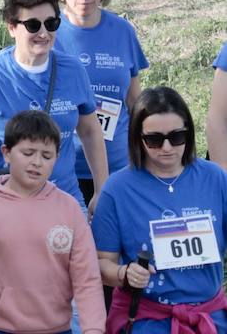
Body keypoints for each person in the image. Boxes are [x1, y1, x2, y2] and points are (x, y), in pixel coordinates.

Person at [0, 109, 106, 334]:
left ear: (56, 158)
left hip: (56, 329)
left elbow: (86, 278)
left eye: (46, 156)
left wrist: (94, 330)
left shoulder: (69, 210)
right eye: (28, 153)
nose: (37, 162)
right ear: (7, 152)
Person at [0, 0, 108, 209]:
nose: (43, 33)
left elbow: (90, 131)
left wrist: (101, 188)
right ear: (12, 28)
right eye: (33, 25)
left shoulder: (73, 70)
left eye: (51, 23)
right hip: (2, 198)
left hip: (62, 197)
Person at [93, 86, 227, 333]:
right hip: (149, 319)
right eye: (154, 140)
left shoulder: (216, 178)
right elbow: (101, 264)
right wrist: (124, 273)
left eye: (176, 137)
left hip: (211, 317)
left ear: (189, 133)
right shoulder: (117, 189)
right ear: (137, 138)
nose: (166, 148)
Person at [44, 0, 149, 207]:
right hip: (64, 167)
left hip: (119, 164)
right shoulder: (47, 33)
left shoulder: (122, 30)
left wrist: (145, 151)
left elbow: (135, 99)